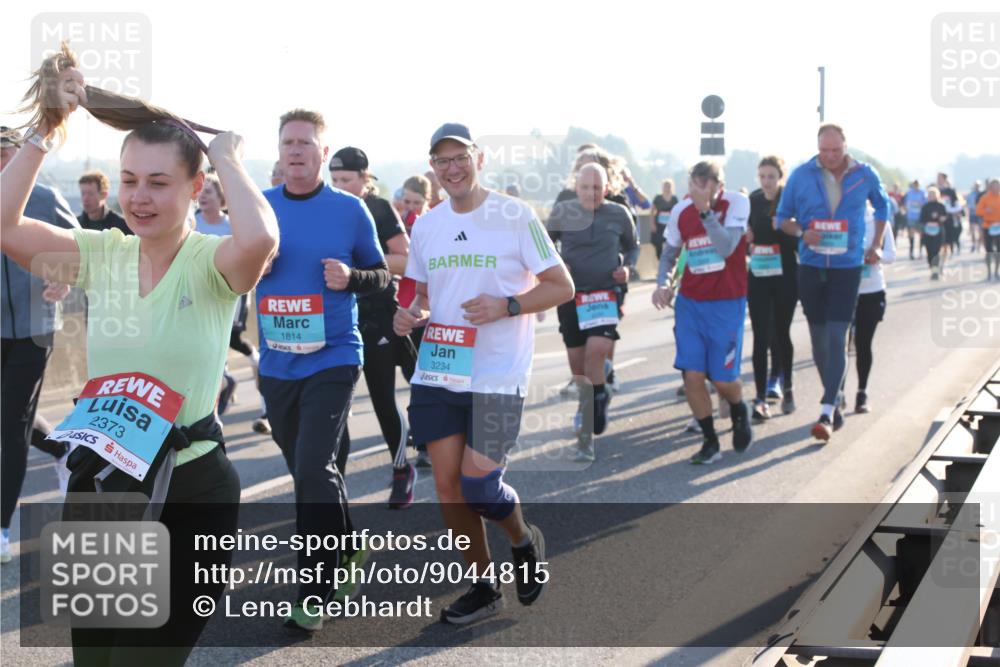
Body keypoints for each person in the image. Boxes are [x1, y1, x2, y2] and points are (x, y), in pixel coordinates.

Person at [3, 50, 277, 663]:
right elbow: (2, 222)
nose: (139, 197)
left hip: (193, 485)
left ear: (194, 187)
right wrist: (44, 133)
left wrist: (227, 155)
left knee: (149, 660)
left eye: (159, 183)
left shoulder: (210, 263)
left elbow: (259, 238)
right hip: (104, 482)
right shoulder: (102, 254)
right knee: (95, 657)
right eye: (130, 180)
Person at [393, 122, 572, 625]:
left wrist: (508, 304)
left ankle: (522, 539)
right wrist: (409, 315)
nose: (451, 168)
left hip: (497, 374)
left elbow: (562, 286)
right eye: (441, 161)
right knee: (447, 487)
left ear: (479, 158)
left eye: (460, 158)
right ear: (433, 167)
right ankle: (483, 586)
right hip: (440, 368)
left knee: (479, 487)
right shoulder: (426, 225)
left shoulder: (514, 216)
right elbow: (420, 295)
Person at [257, 109, 390, 631]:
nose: (295, 150)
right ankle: (351, 544)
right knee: (308, 473)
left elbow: (381, 276)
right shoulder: (259, 208)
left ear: (322, 153)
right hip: (277, 361)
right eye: (288, 141)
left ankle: (316, 590)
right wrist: (252, 266)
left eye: (306, 143)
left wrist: (351, 277)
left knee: (313, 467)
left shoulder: (350, 210)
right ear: (279, 150)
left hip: (334, 354)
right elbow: (227, 271)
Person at [777, 124, 890, 442]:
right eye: (824, 150)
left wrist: (877, 243)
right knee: (818, 340)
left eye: (835, 150)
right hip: (811, 265)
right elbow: (782, 218)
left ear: (845, 147)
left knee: (838, 336)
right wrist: (802, 232)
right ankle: (835, 397)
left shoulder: (865, 174)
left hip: (846, 266)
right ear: (817, 148)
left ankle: (826, 408)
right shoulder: (801, 175)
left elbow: (883, 206)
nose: (829, 156)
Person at [0, 126, 78, 564]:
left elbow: (79, 249)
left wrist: (62, 278)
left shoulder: (45, 198)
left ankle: (2, 528)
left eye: (2, 153)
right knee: (9, 415)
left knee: (10, 425)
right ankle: (62, 448)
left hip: (34, 327)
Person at [328, 146, 418, 507]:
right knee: (339, 406)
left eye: (346, 180)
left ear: (366, 178)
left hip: (378, 316)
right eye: (333, 180)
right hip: (340, 317)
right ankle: (337, 490)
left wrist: (365, 264)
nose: (339, 186)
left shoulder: (379, 209)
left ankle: (401, 471)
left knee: (382, 399)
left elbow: (407, 260)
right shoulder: (329, 207)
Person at [652, 161, 754, 464]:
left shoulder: (736, 202)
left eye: (703, 185)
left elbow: (725, 247)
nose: (696, 191)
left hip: (727, 302)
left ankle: (738, 407)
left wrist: (706, 212)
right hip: (691, 303)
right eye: (693, 185)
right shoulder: (681, 211)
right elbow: (669, 255)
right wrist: (663, 284)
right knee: (692, 375)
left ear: (717, 185)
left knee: (722, 379)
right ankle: (710, 441)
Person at [547, 163, 636, 462]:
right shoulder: (563, 211)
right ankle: (598, 392)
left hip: (604, 293)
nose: (591, 193)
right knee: (578, 366)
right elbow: (545, 244)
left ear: (607, 188)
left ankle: (585, 434)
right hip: (571, 295)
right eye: (585, 187)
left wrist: (626, 266)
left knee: (595, 354)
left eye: (597, 188)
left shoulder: (618, 214)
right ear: (577, 187)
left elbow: (633, 246)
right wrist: (559, 263)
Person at [745, 156, 798, 421]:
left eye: (771, 177)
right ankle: (759, 398)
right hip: (759, 275)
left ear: (780, 177)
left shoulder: (790, 200)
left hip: (786, 275)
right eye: (763, 176)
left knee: (781, 332)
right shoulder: (752, 200)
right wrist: (748, 239)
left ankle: (787, 386)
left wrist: (787, 229)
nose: (767, 181)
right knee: (760, 336)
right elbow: (745, 236)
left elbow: (801, 238)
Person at [847, 204, 896, 413]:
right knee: (840, 345)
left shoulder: (879, 221)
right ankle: (836, 393)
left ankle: (861, 392)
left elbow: (891, 254)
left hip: (872, 291)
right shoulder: (841, 216)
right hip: (845, 292)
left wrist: (878, 254)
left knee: (863, 344)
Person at [77, 169, 130, 234]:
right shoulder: (75, 225)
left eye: (90, 194)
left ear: (104, 195)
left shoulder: (122, 225)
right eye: (83, 193)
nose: (85, 199)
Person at [920, 186, 948, 280]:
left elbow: (945, 217)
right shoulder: (925, 207)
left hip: (938, 231)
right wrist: (928, 222)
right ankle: (932, 269)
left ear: (937, 195)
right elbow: (922, 219)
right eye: (930, 194)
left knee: (936, 251)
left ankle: (935, 272)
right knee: (929, 252)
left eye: (933, 194)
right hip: (928, 232)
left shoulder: (941, 206)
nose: (931, 196)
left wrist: (940, 218)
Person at [976, 178, 1000, 280]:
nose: (995, 187)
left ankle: (996, 272)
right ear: (990, 187)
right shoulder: (985, 198)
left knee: (999, 250)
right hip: (988, 226)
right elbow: (978, 211)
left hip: (999, 226)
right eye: (993, 185)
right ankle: (989, 272)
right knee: (989, 250)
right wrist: (986, 210)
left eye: (997, 185)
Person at [651, 178, 679, 261]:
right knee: (658, 244)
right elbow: (652, 211)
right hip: (659, 225)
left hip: (670, 225)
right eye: (665, 186)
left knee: (671, 243)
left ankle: (670, 261)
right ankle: (660, 261)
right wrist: (652, 224)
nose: (667, 187)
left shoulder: (674, 199)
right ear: (663, 187)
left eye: (669, 186)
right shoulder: (658, 198)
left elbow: (676, 211)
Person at [902, 180, 926, 260]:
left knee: (921, 235)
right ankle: (911, 252)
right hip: (911, 216)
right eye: (914, 185)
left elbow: (925, 204)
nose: (916, 186)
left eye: (917, 185)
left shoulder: (923, 193)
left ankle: (920, 252)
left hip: (920, 217)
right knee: (911, 235)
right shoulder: (909, 193)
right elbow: (905, 203)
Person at [967, 180, 983, 253]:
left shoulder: (982, 194)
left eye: (978, 185)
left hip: (980, 214)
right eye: (976, 185)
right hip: (973, 213)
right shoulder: (971, 194)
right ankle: (973, 244)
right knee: (973, 231)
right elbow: (968, 205)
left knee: (980, 231)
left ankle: (979, 245)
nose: (977, 187)